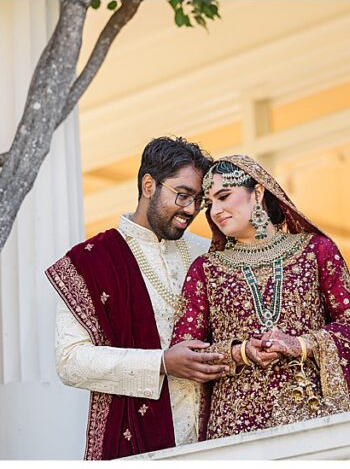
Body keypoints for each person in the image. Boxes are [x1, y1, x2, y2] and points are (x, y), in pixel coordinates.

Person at [171, 155, 350, 441]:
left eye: (224, 196)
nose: (216, 210)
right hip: (234, 428)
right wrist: (240, 352)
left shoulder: (316, 251)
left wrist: (301, 344)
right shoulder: (206, 270)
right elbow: (186, 353)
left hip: (311, 420)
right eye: (210, 203)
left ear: (257, 192)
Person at [46, 136, 229, 460]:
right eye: (183, 195)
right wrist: (161, 363)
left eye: (199, 200)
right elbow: (70, 362)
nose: (191, 210)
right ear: (148, 185)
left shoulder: (209, 253)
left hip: (217, 432)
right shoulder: (91, 261)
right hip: (137, 440)